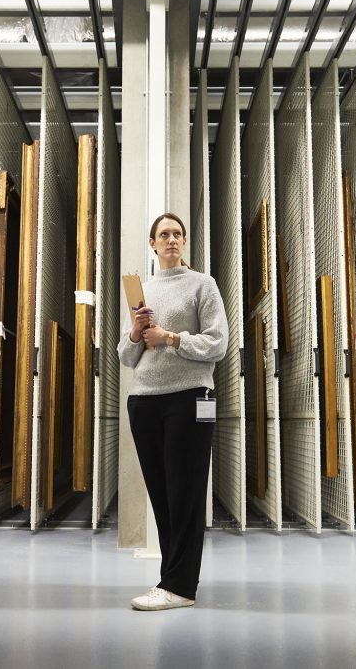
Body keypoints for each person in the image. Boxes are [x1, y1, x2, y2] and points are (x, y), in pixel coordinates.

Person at [117, 212, 228, 611]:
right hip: (145, 401)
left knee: (186, 492)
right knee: (163, 495)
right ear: (152, 244)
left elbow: (217, 344)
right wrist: (135, 333)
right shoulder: (141, 292)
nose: (171, 240)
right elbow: (126, 357)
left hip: (191, 397)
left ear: (185, 241)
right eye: (164, 234)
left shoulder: (203, 285)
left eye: (178, 234)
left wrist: (171, 338)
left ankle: (180, 586)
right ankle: (173, 578)